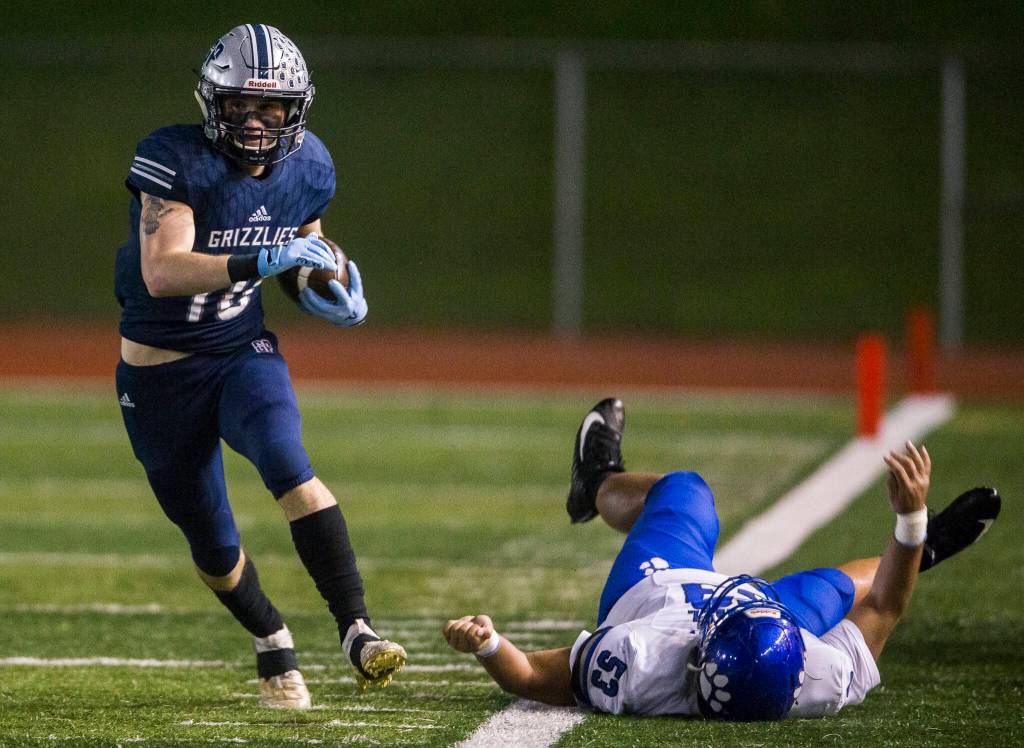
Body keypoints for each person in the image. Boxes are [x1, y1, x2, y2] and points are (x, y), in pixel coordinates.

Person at [114, 24, 405, 709]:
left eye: (270, 108)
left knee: (287, 461)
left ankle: (357, 630)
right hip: (159, 375)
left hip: (241, 353)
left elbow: (307, 245)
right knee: (212, 543)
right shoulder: (172, 157)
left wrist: (326, 288)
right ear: (211, 103)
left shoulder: (310, 166)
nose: (254, 122)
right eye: (239, 105)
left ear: (294, 110)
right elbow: (163, 271)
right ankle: (270, 633)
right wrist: (266, 260)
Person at [444, 398, 1001, 719]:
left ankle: (594, 483)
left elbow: (530, 675)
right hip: (759, 621)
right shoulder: (819, 675)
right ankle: (926, 547)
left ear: (702, 651)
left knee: (686, 491)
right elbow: (884, 604)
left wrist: (488, 644)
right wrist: (911, 519)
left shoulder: (644, 660)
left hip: (657, 592)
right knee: (843, 588)